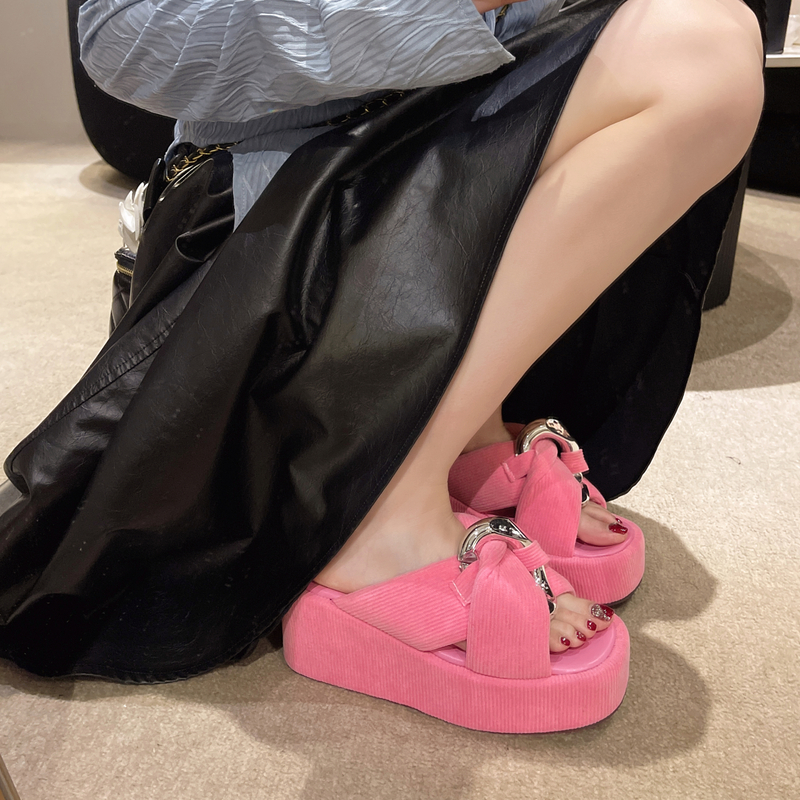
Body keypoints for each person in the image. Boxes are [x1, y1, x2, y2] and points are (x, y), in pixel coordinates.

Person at [0, 0, 764, 732]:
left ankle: (459, 425)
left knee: (706, 34)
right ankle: (378, 507)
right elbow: (125, 36)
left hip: (422, 165)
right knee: (701, 52)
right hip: (272, 213)